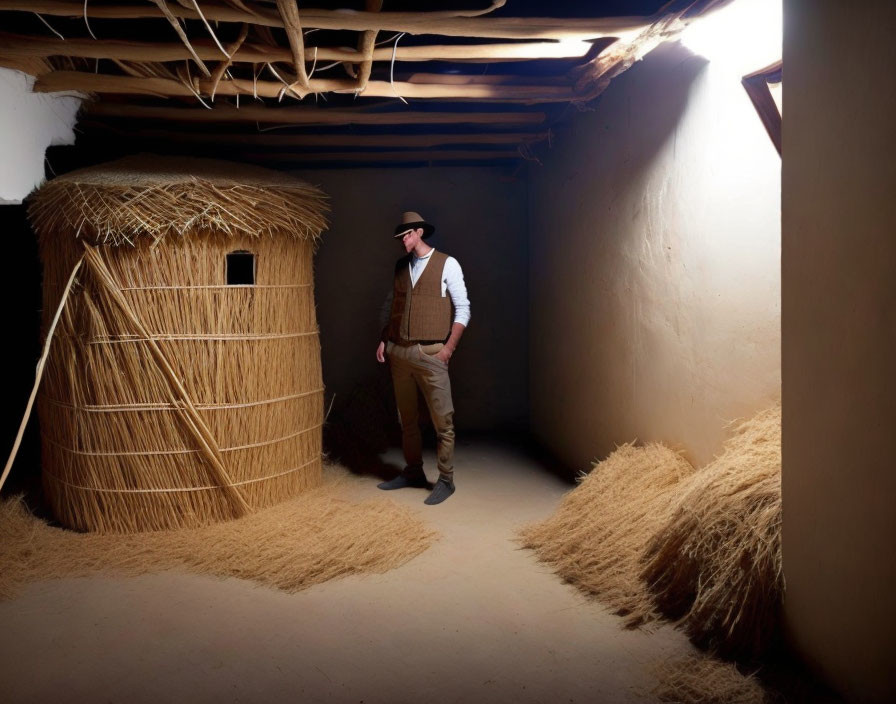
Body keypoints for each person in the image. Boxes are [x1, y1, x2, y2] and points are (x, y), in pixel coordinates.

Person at [375, 211, 470, 505]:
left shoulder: (447, 263)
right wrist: (384, 339)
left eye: (407, 235)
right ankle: (413, 471)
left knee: (444, 422)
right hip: (399, 352)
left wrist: (447, 349)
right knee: (407, 420)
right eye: (400, 237)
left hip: (431, 354)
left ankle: (446, 479)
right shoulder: (401, 266)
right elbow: (393, 304)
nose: (403, 241)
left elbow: (463, 309)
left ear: (418, 233)